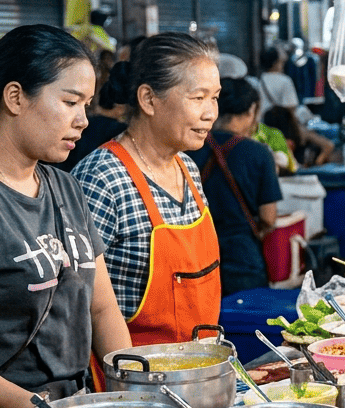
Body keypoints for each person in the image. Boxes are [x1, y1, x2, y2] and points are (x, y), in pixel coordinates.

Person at [0, 25, 132, 408]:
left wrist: (136, 394)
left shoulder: (65, 186)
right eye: (70, 102)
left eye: (87, 106)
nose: (83, 120)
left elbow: (101, 306)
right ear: (16, 97)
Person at [73, 32, 222, 347]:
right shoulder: (102, 178)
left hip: (199, 372)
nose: (210, 113)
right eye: (198, 98)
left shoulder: (188, 169)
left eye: (215, 97)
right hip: (132, 383)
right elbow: (76, 303)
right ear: (148, 99)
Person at [188, 78, 281, 296]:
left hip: (196, 258)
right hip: (242, 259)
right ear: (251, 110)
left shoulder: (190, 147)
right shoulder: (259, 153)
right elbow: (269, 217)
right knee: (244, 326)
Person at [58, 71, 126, 173]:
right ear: (120, 106)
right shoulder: (119, 131)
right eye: (71, 103)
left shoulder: (86, 123)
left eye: (86, 104)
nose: (82, 122)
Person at [252, 45, 300, 117]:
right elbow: (291, 107)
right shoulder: (285, 81)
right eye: (281, 62)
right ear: (275, 63)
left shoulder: (257, 80)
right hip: (279, 125)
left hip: (262, 124)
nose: (283, 65)